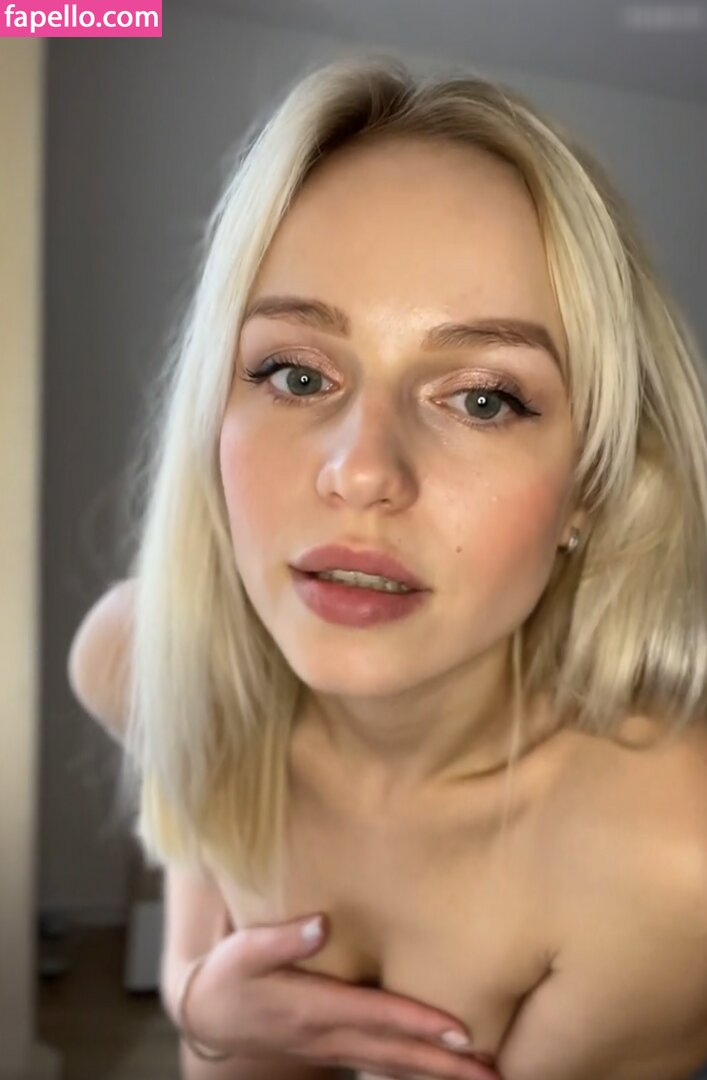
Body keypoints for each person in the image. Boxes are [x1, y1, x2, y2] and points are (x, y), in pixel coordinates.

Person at [68, 53, 707, 1080]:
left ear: (589, 485)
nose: (360, 471)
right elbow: (200, 827)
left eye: (483, 398)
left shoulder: (668, 859)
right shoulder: (140, 658)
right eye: (294, 372)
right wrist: (201, 1000)